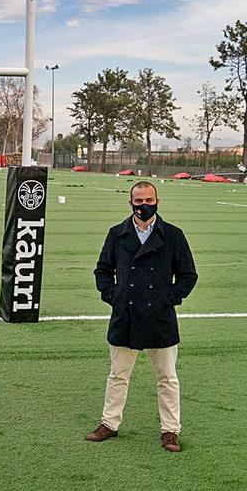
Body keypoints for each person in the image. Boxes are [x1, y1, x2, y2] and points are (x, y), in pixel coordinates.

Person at [86, 181, 198, 452]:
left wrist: (168, 299)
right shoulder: (117, 234)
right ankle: (109, 424)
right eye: (139, 201)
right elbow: (102, 270)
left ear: (157, 201)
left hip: (160, 317)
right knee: (118, 375)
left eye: (149, 200)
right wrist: (114, 296)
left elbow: (188, 275)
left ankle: (170, 431)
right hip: (126, 315)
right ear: (131, 204)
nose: (145, 205)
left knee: (168, 378)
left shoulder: (173, 235)